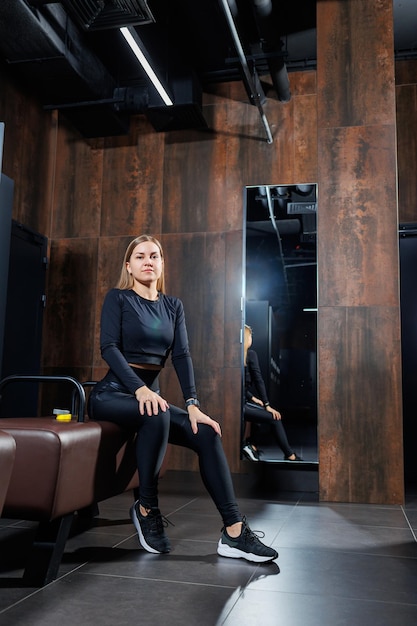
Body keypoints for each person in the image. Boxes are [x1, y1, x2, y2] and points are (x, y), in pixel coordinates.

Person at [88, 234, 278, 563]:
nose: (148, 260)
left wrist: (193, 405)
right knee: (157, 413)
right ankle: (147, 508)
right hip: (113, 394)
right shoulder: (117, 299)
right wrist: (139, 388)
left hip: (149, 401)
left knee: (205, 433)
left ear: (161, 264)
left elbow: (182, 356)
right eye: (140, 256)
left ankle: (233, 531)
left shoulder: (173, 306)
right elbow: (109, 349)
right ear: (129, 266)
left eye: (155, 256)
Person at [242, 324, 302, 462]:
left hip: (242, 402)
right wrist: (267, 404)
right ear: (247, 338)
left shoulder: (243, 356)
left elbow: (241, 386)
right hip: (242, 405)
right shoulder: (251, 355)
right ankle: (289, 455)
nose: (252, 338)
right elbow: (258, 381)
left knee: (260, 414)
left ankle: (253, 447)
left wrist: (254, 398)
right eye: (250, 335)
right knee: (274, 418)